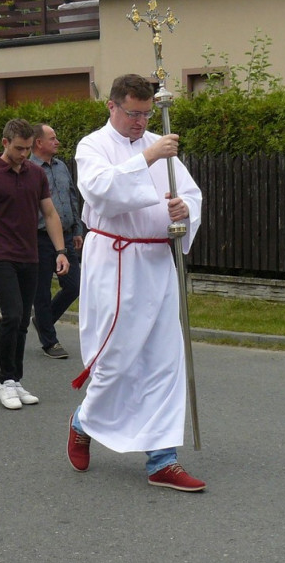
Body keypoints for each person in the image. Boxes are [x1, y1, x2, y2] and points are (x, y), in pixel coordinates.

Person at [67, 74, 205, 492]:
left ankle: (162, 458)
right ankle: (82, 421)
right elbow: (100, 190)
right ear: (112, 107)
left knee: (164, 360)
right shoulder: (92, 146)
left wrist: (184, 208)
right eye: (133, 113)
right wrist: (146, 159)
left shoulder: (161, 146)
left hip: (157, 263)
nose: (140, 122)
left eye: (146, 114)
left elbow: (189, 194)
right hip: (116, 260)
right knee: (116, 358)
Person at [0, 119, 69, 410]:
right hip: (2, 257)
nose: (24, 154)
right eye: (18, 148)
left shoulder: (37, 174)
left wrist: (60, 250)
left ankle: (16, 380)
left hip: (31, 257)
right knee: (11, 316)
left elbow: (49, 214)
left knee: (24, 320)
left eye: (27, 148)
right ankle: (4, 381)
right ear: (5, 143)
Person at [30, 123, 84, 359]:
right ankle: (50, 341)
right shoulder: (29, 169)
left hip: (66, 235)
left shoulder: (62, 167)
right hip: (39, 237)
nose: (57, 142)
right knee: (40, 291)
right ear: (38, 142)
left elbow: (72, 196)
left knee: (74, 285)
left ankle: (43, 321)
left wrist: (77, 229)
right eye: (52, 138)